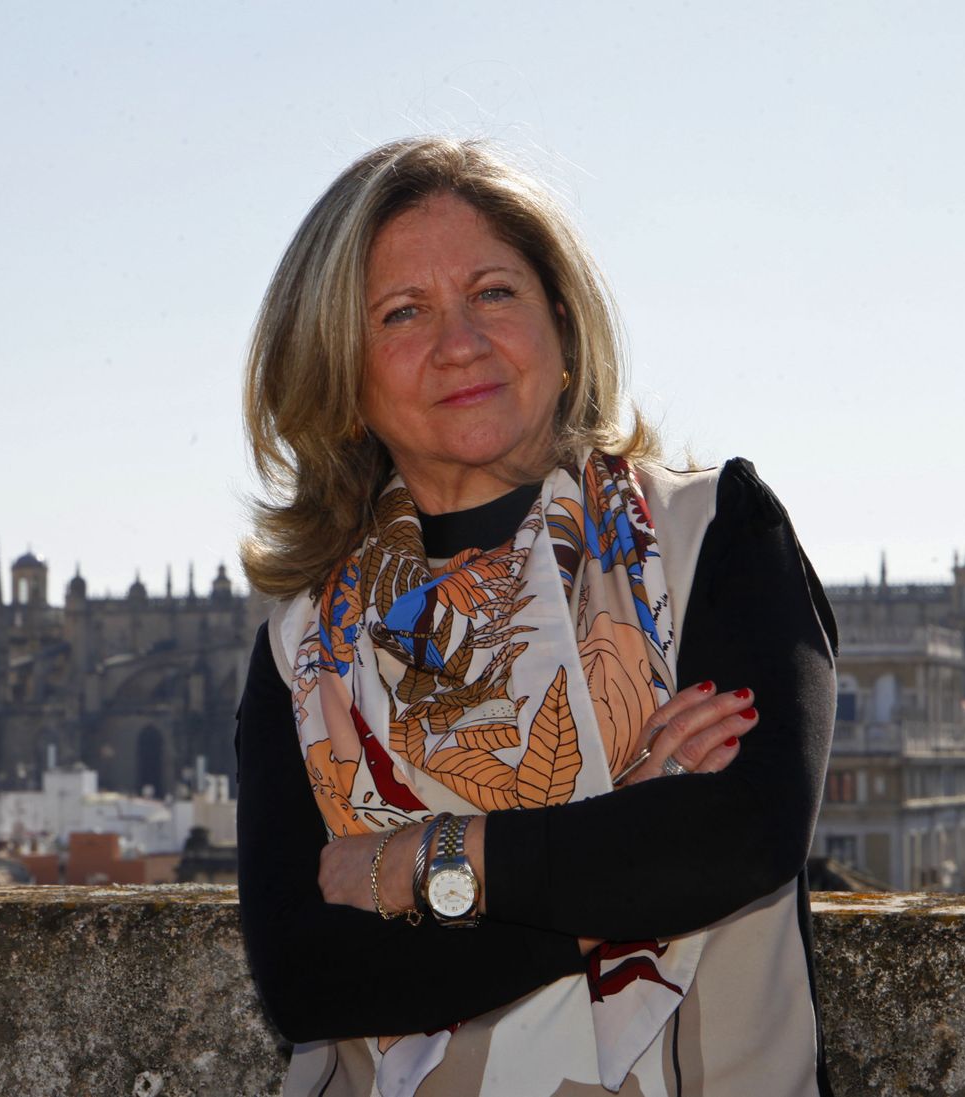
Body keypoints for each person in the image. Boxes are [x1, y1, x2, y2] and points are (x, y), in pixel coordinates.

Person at [235, 136, 836, 1097]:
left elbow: (740, 838)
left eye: (494, 293)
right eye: (403, 313)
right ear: (342, 379)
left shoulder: (709, 532)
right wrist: (622, 837)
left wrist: (412, 867)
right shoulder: (305, 647)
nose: (460, 342)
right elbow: (312, 977)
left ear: (562, 322)